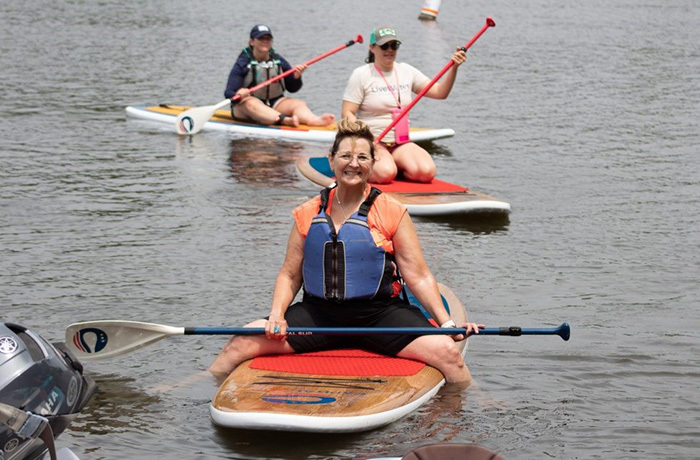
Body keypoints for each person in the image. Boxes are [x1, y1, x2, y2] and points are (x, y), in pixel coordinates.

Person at [209, 119, 482, 384]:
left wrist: (447, 325)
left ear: (373, 164)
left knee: (447, 353)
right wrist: (278, 315)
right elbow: (290, 275)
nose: (354, 164)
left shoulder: (391, 211)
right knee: (241, 342)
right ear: (331, 160)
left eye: (363, 157)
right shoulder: (308, 212)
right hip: (319, 317)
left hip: (380, 316)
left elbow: (418, 276)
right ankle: (200, 388)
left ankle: (468, 405)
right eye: (346, 156)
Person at [341, 26, 467, 183]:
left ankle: (395, 165)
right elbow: (347, 113)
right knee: (385, 174)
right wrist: (364, 137)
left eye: (394, 45)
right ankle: (381, 166)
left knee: (426, 172)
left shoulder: (407, 71)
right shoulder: (361, 74)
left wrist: (454, 68)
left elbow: (440, 92)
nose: (390, 50)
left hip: (401, 142)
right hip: (373, 141)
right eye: (384, 46)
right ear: (372, 48)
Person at [224, 24, 335, 127]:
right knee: (250, 103)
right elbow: (228, 92)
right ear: (252, 42)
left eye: (268, 39)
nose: (265, 41)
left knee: (298, 103)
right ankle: (284, 120)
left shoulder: (278, 60)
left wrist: (297, 76)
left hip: (274, 102)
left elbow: (292, 88)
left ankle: (312, 119)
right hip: (247, 108)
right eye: (261, 38)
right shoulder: (243, 63)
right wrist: (238, 93)